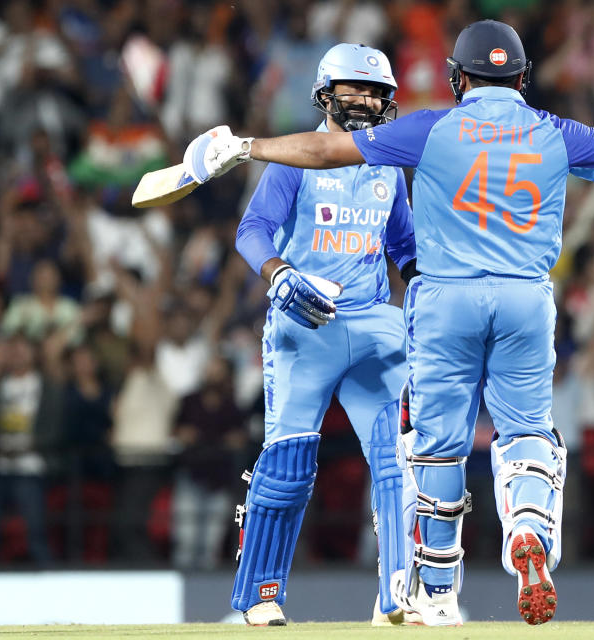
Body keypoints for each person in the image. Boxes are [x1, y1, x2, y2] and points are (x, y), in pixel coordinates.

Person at [183, 20, 594, 626]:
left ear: (458, 79)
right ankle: (529, 528)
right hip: (524, 300)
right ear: (522, 77)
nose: (362, 102)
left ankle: (432, 592)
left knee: (433, 450)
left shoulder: (429, 129)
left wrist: (244, 146)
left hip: (442, 303)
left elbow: (328, 155)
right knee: (527, 435)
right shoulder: (553, 130)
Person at [193, 44, 417, 626]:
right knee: (289, 463)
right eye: (355, 90)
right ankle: (262, 594)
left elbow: (404, 245)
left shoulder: (388, 163)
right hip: (304, 325)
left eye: (377, 92)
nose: (368, 100)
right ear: (324, 95)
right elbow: (253, 230)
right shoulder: (293, 159)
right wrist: (281, 274)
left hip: (373, 322)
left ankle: (400, 591)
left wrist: (425, 287)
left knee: (398, 458)